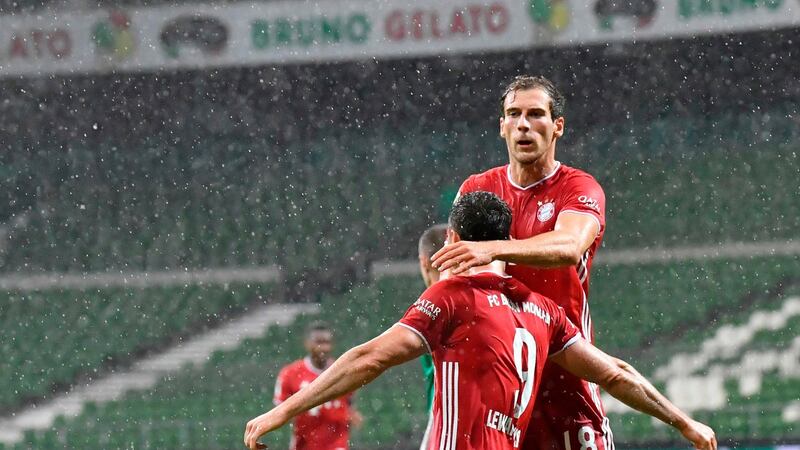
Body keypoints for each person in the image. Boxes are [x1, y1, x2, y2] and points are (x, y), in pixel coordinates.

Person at [245, 192, 716, 450]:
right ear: (508, 238)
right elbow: (615, 373)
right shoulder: (543, 310)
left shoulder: (453, 297)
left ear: (453, 238)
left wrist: (280, 412)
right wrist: (684, 422)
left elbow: (368, 359)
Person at [431, 75, 614, 450]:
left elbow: (569, 246)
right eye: (513, 114)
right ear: (502, 127)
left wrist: (493, 248)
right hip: (501, 387)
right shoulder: (476, 189)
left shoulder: (578, 188)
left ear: (557, 126)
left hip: (567, 376)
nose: (523, 124)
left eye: (535, 114)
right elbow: (454, 271)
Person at [272, 321, 362, 450]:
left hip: (337, 443)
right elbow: (279, 409)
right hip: (304, 443)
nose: (324, 347)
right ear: (307, 344)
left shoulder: (344, 372)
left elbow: (350, 402)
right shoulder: (290, 373)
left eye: (327, 342)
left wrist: (352, 413)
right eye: (319, 342)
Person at [416, 223, 448, 449]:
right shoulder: (488, 298)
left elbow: (372, 358)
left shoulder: (429, 309)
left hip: (444, 426)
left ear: (423, 261)